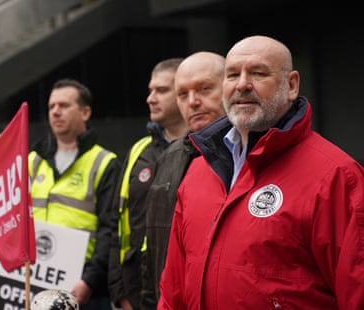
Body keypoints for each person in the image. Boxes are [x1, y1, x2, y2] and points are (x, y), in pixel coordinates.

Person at [158, 35, 364, 309]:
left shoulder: (337, 176)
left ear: (291, 85)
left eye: (258, 73)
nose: (242, 84)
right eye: (232, 75)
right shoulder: (198, 171)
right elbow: (173, 293)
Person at [0, 78, 120, 310]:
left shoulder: (104, 162)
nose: (56, 112)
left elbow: (111, 230)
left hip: (81, 286)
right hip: (30, 281)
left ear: (85, 112)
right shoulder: (32, 160)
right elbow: (3, 204)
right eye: (51, 107)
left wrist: (90, 281)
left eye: (64, 106)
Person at [140, 51, 226, 309]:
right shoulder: (169, 158)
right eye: (182, 94)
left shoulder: (253, 156)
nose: (193, 102)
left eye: (204, 89)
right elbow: (153, 245)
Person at [108, 58, 187, 310]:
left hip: (182, 289)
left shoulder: (206, 151)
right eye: (150, 90)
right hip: (135, 294)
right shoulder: (139, 151)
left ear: (183, 92)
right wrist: (119, 293)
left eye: (161, 90)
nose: (150, 98)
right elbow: (116, 224)